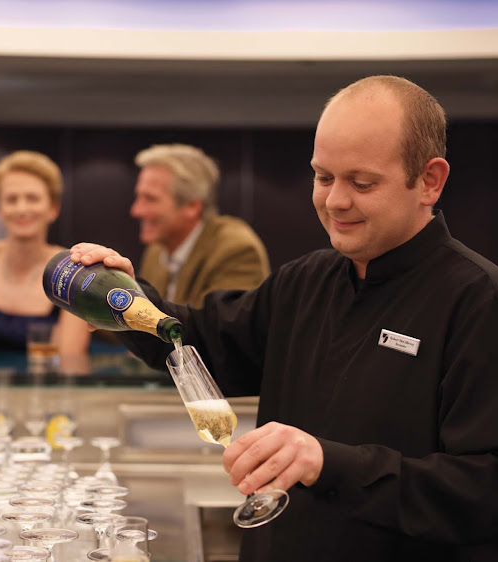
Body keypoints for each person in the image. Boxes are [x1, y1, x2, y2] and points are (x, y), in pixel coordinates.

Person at [70, 76, 498, 561]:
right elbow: (201, 339)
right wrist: (124, 298)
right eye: (323, 177)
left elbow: (482, 490)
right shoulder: (305, 280)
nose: (335, 201)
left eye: (362, 183)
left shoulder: (478, 299)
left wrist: (328, 462)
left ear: (429, 181)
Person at [0, 150, 90, 356]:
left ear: (53, 208)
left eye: (32, 198)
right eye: (11, 199)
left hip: (47, 386)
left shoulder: (72, 268)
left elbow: (71, 361)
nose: (21, 208)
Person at [130, 143, 270, 306]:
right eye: (138, 197)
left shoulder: (236, 250)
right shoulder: (157, 250)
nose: (136, 211)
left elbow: (217, 329)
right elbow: (138, 323)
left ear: (192, 206)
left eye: (150, 199)